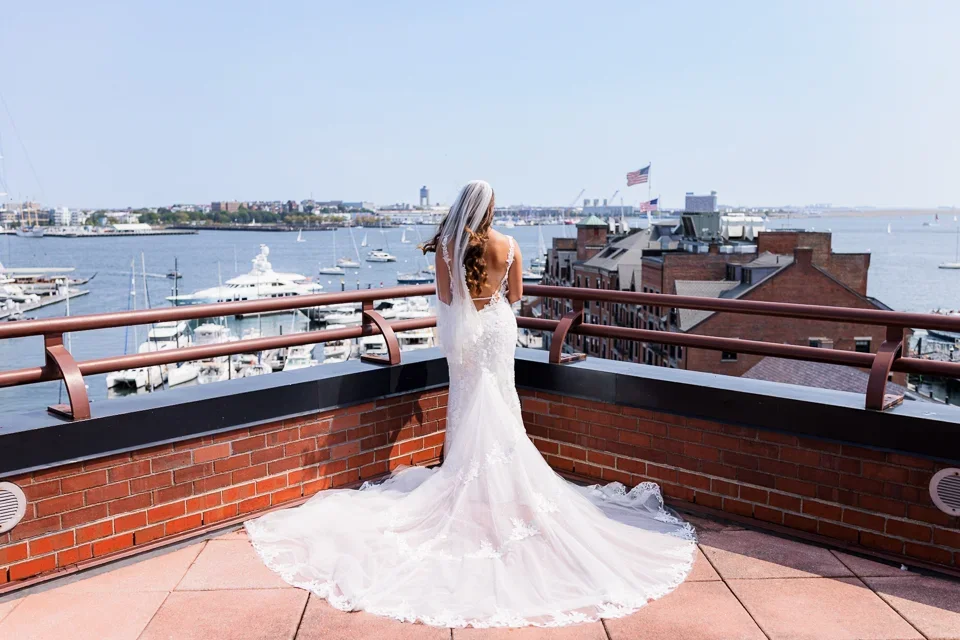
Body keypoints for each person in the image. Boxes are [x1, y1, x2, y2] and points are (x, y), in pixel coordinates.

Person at [246, 180, 695, 628]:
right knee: (501, 400)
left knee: (468, 400)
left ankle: (468, 483)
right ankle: (505, 493)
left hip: (468, 337)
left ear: (461, 208)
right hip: (498, 332)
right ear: (491, 209)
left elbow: (445, 300)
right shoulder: (510, 245)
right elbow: (515, 298)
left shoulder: (446, 249)